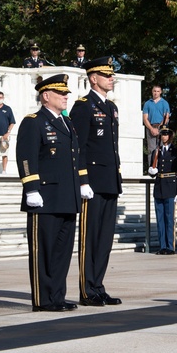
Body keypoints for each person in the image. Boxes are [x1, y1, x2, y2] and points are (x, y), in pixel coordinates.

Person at [16, 74, 85, 311]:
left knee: (62, 252)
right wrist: (31, 188)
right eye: (61, 93)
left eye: (66, 93)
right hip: (44, 197)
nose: (66, 97)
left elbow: (75, 158)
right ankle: (43, 299)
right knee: (43, 251)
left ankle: (57, 296)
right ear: (46, 96)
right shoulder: (34, 121)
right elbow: (26, 157)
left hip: (67, 196)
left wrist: (82, 184)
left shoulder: (66, 123)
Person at [69, 56, 122, 306]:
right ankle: (86, 289)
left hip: (109, 180)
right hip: (92, 183)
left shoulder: (111, 108)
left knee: (104, 240)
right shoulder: (83, 106)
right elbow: (77, 147)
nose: (112, 78)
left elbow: (112, 147)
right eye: (106, 74)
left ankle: (98, 286)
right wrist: (82, 180)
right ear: (93, 78)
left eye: (112, 74)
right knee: (90, 239)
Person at [147, 126, 177, 254]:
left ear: (170, 136)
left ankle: (170, 246)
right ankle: (162, 246)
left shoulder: (176, 152)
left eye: (166, 134)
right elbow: (154, 169)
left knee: (169, 219)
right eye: (162, 134)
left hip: (170, 187)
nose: (164, 137)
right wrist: (151, 172)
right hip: (159, 188)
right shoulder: (156, 152)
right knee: (160, 219)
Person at [141, 85, 171, 161]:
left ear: (160, 92)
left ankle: (161, 168)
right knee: (151, 150)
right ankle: (151, 169)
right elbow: (145, 118)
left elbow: (166, 117)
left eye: (158, 91)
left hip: (161, 127)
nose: (156, 93)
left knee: (162, 148)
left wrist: (159, 128)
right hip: (150, 127)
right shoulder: (147, 103)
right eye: (154, 91)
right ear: (152, 91)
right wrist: (152, 129)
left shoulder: (164, 103)